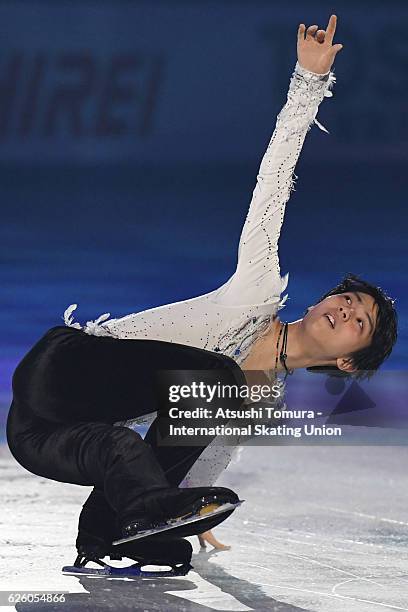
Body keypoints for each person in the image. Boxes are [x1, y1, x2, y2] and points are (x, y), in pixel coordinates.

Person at [61, 15, 396, 546]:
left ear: (349, 361)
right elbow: (273, 181)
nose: (345, 309)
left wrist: (194, 512)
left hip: (99, 438)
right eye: (348, 298)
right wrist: (307, 84)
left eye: (359, 322)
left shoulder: (263, 398)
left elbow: (208, 452)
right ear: (321, 300)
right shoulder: (257, 289)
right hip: (72, 375)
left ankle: (134, 522)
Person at [7, 325, 246, 563]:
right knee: (120, 445)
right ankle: (140, 510)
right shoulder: (53, 371)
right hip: (37, 433)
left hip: (73, 374)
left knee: (219, 381)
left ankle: (118, 521)